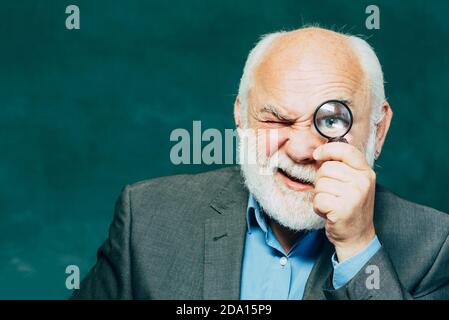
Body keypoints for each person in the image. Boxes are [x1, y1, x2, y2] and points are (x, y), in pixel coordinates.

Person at [72, 27, 449, 300]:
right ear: (240, 118)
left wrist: (357, 246)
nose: (301, 149)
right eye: (276, 120)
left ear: (378, 131)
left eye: (332, 122)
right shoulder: (148, 219)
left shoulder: (432, 246)